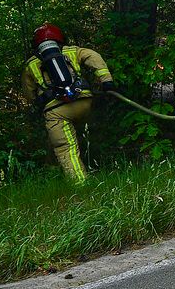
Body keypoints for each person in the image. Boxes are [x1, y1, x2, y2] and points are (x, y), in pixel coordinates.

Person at [21, 24, 116, 183]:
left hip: (57, 111)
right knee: (79, 136)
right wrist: (106, 81)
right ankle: (52, 171)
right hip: (84, 103)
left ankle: (81, 185)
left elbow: (29, 93)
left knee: (66, 148)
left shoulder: (31, 64)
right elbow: (94, 57)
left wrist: (38, 103)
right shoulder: (72, 51)